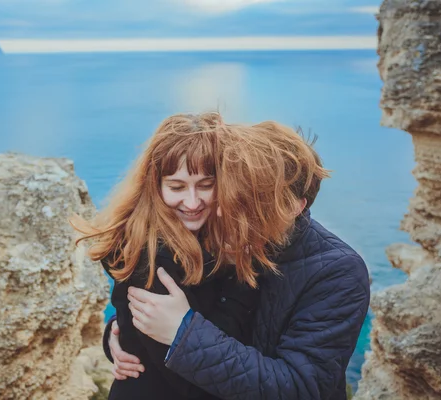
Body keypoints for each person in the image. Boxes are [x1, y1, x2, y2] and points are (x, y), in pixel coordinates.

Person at [105, 120, 371, 400]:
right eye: (229, 193)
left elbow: (301, 388)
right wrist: (123, 331)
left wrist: (183, 335)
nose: (221, 211)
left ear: (295, 206)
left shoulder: (337, 271)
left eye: (250, 202)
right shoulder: (207, 228)